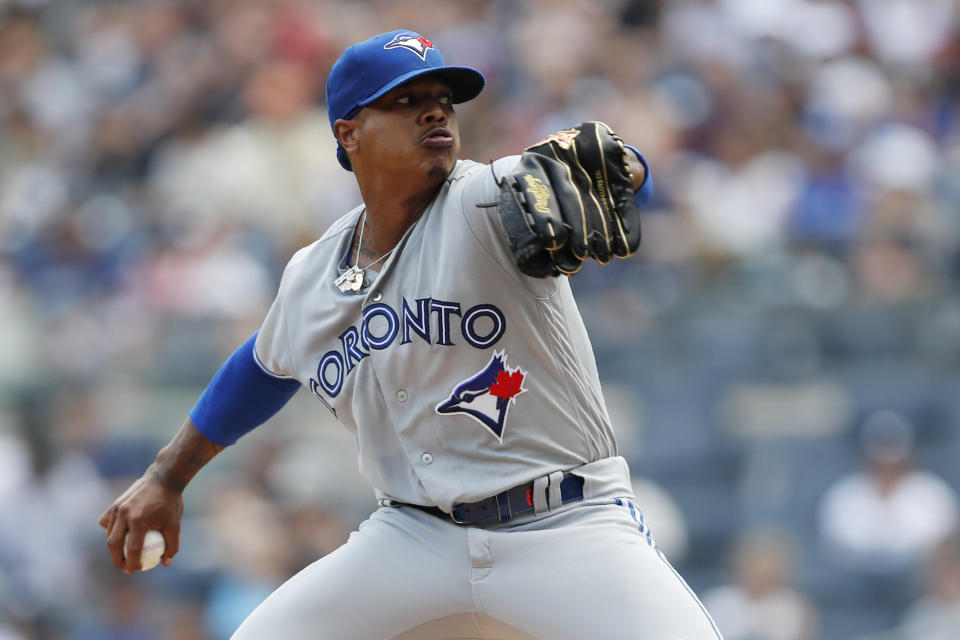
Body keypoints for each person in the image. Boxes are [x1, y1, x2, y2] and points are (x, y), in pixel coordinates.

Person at [100, 30, 722, 639]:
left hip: (563, 524)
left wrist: (622, 166)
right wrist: (166, 477)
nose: (434, 111)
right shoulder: (313, 274)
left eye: (444, 99)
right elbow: (261, 370)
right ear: (348, 132)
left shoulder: (486, 201)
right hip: (415, 538)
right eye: (404, 100)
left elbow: (596, 167)